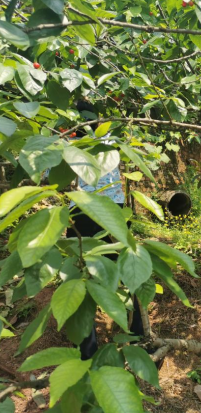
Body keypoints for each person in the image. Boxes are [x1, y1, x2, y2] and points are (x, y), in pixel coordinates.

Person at [65, 100, 145, 359]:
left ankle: (88, 349)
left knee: (81, 275)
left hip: (83, 211)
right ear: (98, 120)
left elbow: (48, 174)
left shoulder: (69, 142)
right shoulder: (112, 141)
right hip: (114, 210)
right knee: (126, 268)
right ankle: (139, 332)